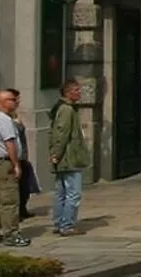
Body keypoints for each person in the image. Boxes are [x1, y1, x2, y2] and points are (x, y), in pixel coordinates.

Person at [0, 88, 28, 248]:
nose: (16, 102)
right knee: (9, 200)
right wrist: (16, 165)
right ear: (2, 102)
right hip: (4, 163)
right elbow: (10, 144)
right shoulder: (4, 120)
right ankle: (11, 234)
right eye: (12, 100)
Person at [46, 78, 89, 237]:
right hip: (69, 157)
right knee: (73, 193)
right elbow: (61, 133)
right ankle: (67, 225)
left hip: (65, 157)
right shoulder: (67, 110)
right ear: (68, 92)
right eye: (76, 90)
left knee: (61, 192)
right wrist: (56, 153)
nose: (79, 93)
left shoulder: (65, 108)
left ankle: (59, 222)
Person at [8, 89, 37, 221]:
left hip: (23, 154)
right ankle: (17, 212)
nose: (18, 101)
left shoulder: (15, 115)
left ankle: (22, 209)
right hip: (16, 157)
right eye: (16, 99)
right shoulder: (7, 118)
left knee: (25, 185)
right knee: (18, 186)